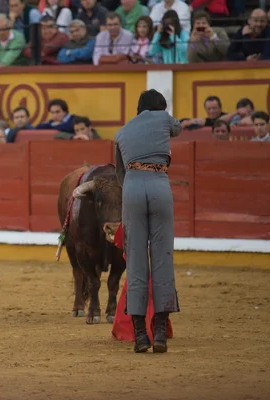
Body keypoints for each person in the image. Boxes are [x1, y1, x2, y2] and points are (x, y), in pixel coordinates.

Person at [113, 89, 181, 354]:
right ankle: (160, 333)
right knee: (162, 258)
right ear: (160, 106)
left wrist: (133, 187)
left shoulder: (122, 132)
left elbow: (120, 173)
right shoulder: (164, 118)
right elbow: (178, 129)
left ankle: (141, 335)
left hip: (131, 188)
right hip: (159, 186)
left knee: (136, 259)